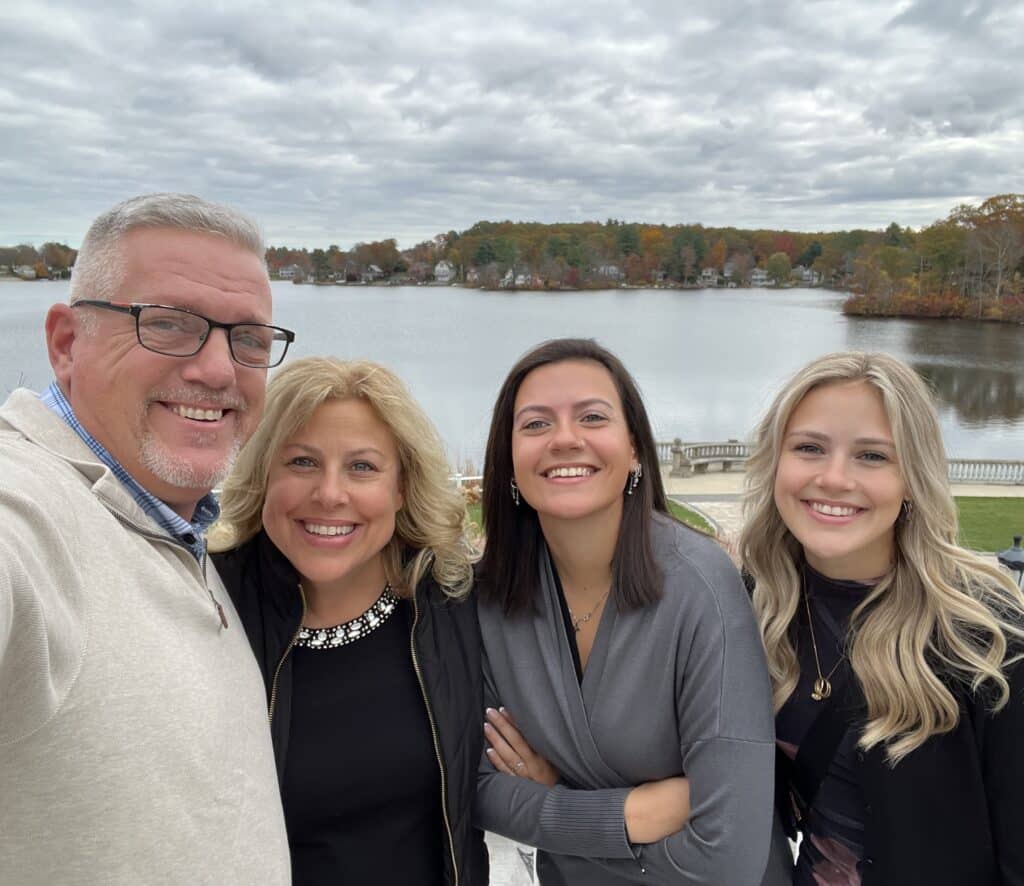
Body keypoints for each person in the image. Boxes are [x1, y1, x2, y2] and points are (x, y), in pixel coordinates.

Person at [0, 193, 294, 883]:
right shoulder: (34, 512)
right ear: (68, 343)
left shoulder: (171, 520)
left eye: (248, 339)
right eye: (168, 324)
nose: (220, 369)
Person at [474, 337, 776, 884]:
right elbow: (479, 789)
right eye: (536, 424)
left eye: (592, 417)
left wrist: (553, 809)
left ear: (634, 448)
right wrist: (630, 814)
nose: (565, 439)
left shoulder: (702, 589)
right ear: (509, 459)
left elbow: (728, 858)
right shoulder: (486, 598)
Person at [740, 351, 1024, 886]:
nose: (833, 478)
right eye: (809, 448)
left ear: (913, 478)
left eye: (872, 456)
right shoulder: (755, 604)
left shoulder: (987, 638)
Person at [209, 356, 488, 886]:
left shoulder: (457, 606)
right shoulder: (208, 608)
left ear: (401, 488)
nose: (330, 494)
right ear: (262, 472)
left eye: (362, 467)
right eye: (301, 462)